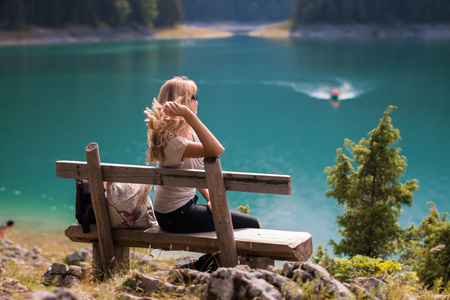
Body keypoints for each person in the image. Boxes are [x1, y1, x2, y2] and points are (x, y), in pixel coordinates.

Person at [144, 76, 260, 233]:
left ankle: (212, 258)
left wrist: (210, 198)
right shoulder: (171, 141)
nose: (197, 101)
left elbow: (191, 173)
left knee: (244, 224)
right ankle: (213, 259)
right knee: (251, 224)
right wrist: (189, 115)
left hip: (182, 209)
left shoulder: (187, 132)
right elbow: (216, 149)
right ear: (182, 102)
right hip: (175, 214)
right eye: (193, 97)